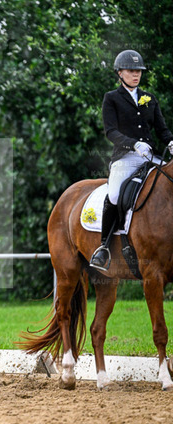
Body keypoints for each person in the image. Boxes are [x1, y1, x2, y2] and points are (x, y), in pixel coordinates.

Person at [89, 50, 173, 271]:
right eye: (131, 71)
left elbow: (162, 130)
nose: (136, 74)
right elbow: (111, 132)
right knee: (115, 194)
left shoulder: (149, 99)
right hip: (125, 158)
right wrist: (133, 144)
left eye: (139, 71)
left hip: (151, 157)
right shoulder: (111, 98)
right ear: (120, 73)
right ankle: (104, 247)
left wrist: (171, 142)